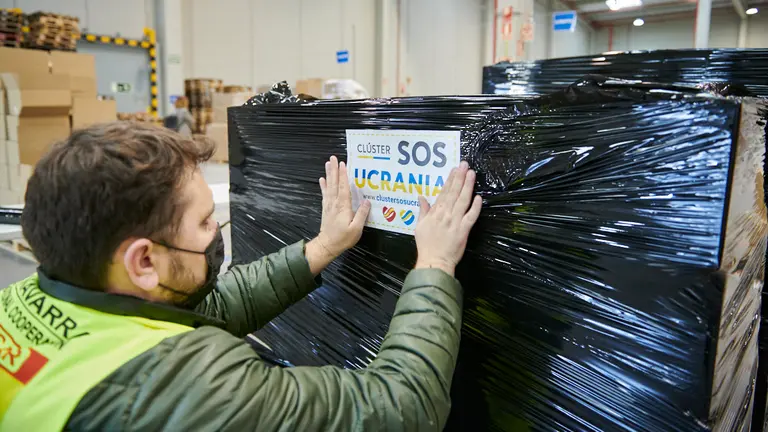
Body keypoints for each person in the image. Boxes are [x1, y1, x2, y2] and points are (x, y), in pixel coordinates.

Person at [0, 122, 482, 431]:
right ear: (143, 262)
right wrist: (435, 265)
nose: (217, 232)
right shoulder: (189, 388)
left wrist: (323, 247)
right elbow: (404, 406)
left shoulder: (36, 295)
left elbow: (204, 312)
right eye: (206, 222)